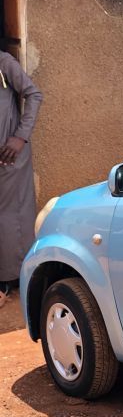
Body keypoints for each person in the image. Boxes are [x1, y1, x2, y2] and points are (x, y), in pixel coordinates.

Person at [0, 50, 42, 308]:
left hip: (9, 154)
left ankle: (8, 281)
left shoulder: (4, 62)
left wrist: (20, 136)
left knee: (10, 216)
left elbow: (34, 94)